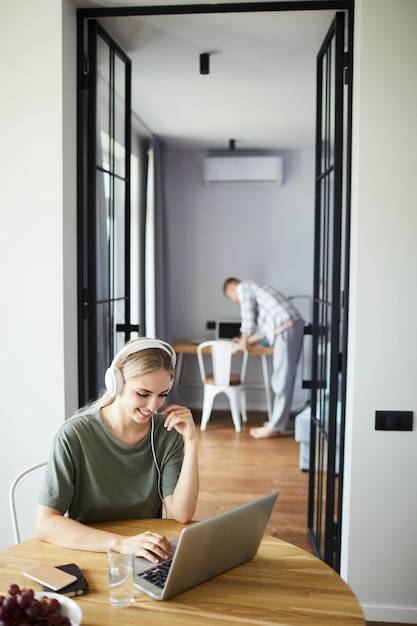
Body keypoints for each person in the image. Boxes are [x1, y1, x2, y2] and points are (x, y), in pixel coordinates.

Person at [35, 337, 199, 563]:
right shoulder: (74, 435)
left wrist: (191, 443)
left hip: (143, 557)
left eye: (162, 394)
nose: (153, 406)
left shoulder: (167, 433)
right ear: (117, 384)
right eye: (143, 394)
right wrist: (121, 544)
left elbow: (181, 513)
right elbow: (45, 524)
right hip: (88, 552)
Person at [223, 278, 304, 440]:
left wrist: (244, 341)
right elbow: (262, 331)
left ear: (232, 289)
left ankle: (275, 427)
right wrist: (244, 340)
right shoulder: (258, 294)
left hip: (286, 328)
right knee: (284, 378)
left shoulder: (244, 287)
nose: (235, 301)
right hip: (290, 326)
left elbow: (248, 320)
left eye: (232, 298)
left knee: (281, 380)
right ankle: (277, 422)